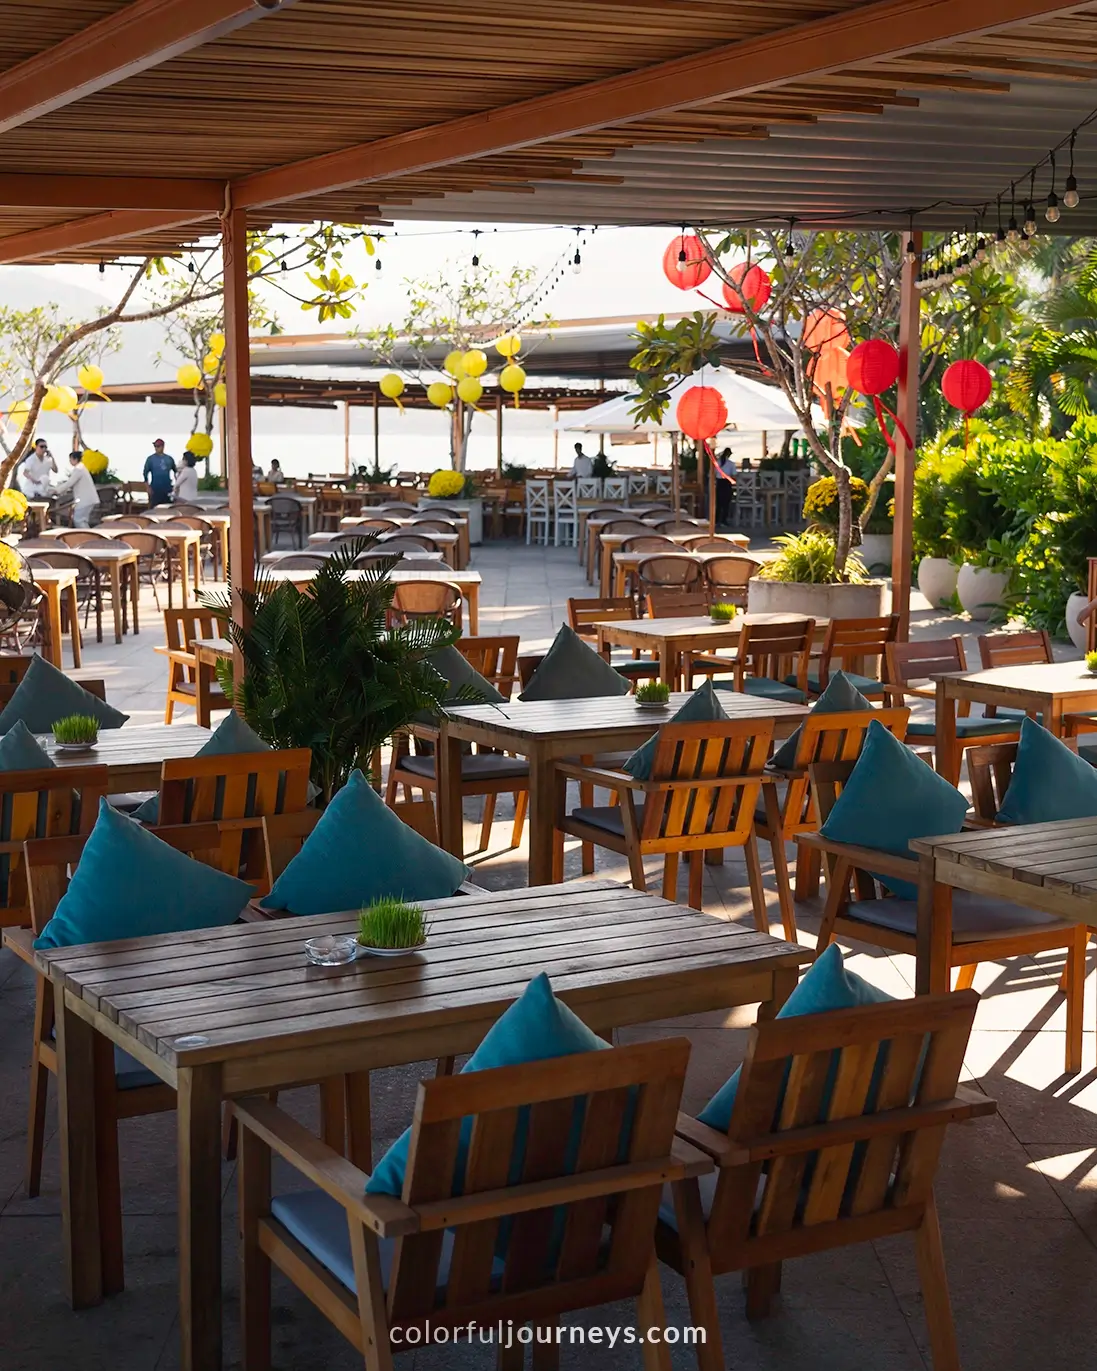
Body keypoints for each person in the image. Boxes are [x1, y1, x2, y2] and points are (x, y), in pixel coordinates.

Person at [53, 451, 99, 528]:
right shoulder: (82, 468)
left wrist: (56, 490)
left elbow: (69, 483)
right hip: (88, 499)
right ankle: (89, 537)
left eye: (70, 459)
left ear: (75, 459)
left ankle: (88, 537)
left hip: (85, 500)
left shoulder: (78, 469)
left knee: (79, 520)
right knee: (82, 520)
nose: (70, 461)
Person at [143, 438, 176, 507]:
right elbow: (145, 473)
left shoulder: (169, 459)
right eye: (155, 446)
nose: (156, 448)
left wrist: (176, 486)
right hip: (155, 488)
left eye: (158, 446)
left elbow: (176, 472)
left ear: (163, 447)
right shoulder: (150, 459)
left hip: (167, 488)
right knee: (155, 507)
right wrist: (148, 487)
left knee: (168, 507)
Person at [715, 446, 736, 526]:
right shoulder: (731, 464)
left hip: (719, 483)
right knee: (726, 503)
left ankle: (717, 520)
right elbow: (734, 476)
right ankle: (724, 520)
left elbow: (714, 473)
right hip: (727, 483)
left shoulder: (718, 462)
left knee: (719, 503)